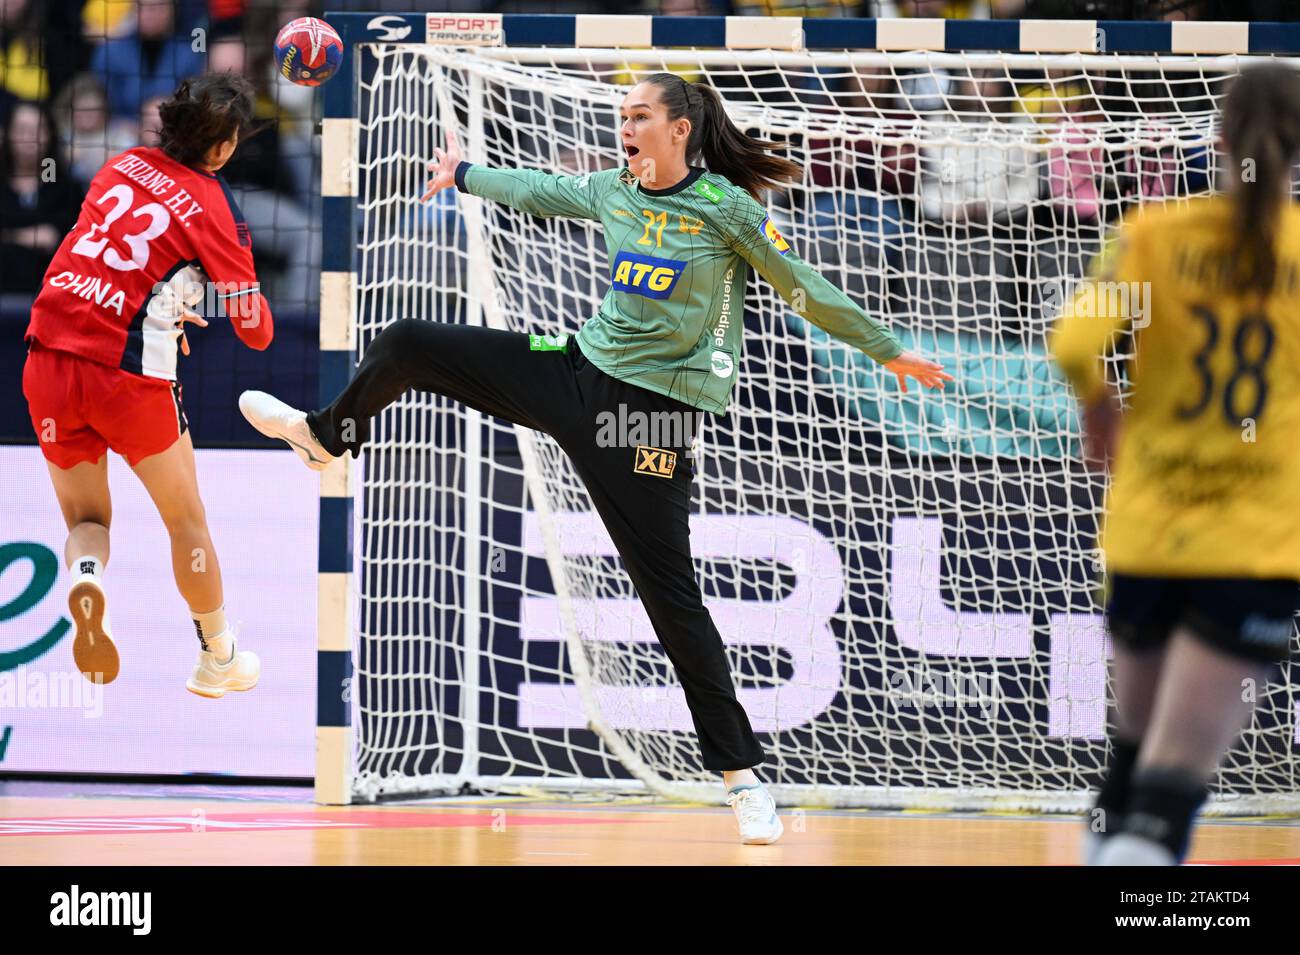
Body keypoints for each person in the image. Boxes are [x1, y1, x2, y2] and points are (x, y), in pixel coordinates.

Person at [241, 73, 950, 843]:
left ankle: (744, 781)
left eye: (640, 116)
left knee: (672, 602)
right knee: (409, 341)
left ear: (680, 130)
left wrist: (889, 352)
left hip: (654, 423)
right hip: (574, 372)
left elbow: (802, 286)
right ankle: (329, 433)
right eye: (623, 116)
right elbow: (546, 191)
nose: (627, 127)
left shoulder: (728, 210)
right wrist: (467, 175)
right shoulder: (615, 187)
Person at [1050, 63, 1300, 866]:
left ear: (1216, 143)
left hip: (1149, 528)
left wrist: (1100, 408)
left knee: (1128, 765)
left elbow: (1073, 343)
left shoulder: (1151, 231)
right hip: (1255, 544)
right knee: (1168, 788)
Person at [22, 72, 274, 698]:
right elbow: (257, 333)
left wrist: (172, 300)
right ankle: (218, 656)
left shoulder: (120, 166)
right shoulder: (216, 207)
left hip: (46, 357)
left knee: (87, 519)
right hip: (127, 376)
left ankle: (86, 577)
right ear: (222, 147)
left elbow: (112, 258)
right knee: (186, 521)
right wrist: (228, 294)